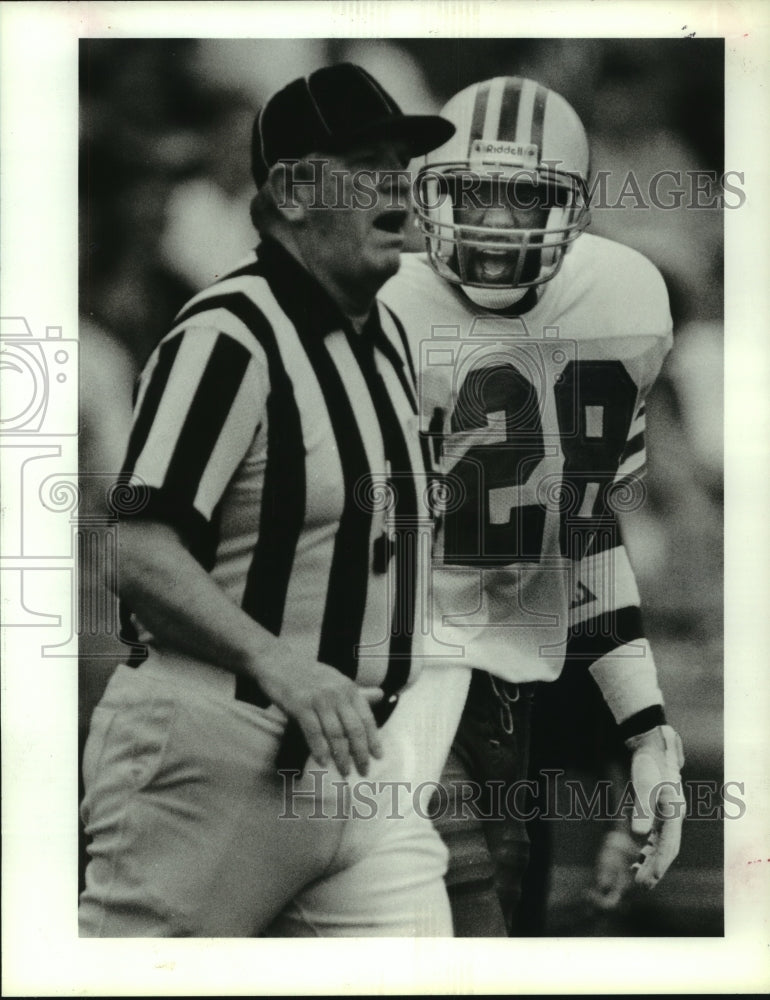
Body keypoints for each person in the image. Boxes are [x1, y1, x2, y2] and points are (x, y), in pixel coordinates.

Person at [78, 62, 467, 937]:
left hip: (363, 768)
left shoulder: (387, 341)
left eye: (402, 169)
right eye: (367, 167)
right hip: (218, 754)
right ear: (292, 193)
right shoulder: (227, 334)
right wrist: (280, 663)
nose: (397, 191)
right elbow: (135, 548)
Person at [380, 75, 686, 936]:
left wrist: (645, 727)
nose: (494, 224)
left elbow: (584, 530)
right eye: (475, 192)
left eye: (524, 196)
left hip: (519, 699)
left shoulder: (625, 305)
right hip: (388, 689)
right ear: (427, 194)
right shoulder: (378, 303)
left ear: (573, 210)